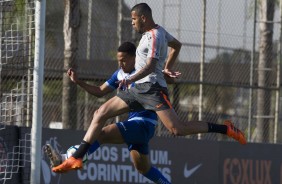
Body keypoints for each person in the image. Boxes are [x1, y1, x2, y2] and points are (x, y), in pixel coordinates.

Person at [52, 2, 246, 173]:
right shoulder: (155, 32)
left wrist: (133, 78)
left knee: (177, 129)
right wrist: (167, 67)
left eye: (134, 19)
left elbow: (152, 65)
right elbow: (177, 45)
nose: (132, 23)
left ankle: (224, 128)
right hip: (138, 90)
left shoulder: (155, 36)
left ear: (143, 18)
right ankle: (76, 156)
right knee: (100, 113)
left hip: (153, 90)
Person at [46, 42, 171, 183]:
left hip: (144, 124)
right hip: (135, 127)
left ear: (134, 58)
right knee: (144, 168)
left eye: (124, 60)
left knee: (102, 134)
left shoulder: (144, 72)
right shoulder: (119, 74)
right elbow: (100, 91)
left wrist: (166, 73)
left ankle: (69, 157)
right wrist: (78, 81)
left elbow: (161, 78)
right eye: (119, 60)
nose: (121, 63)